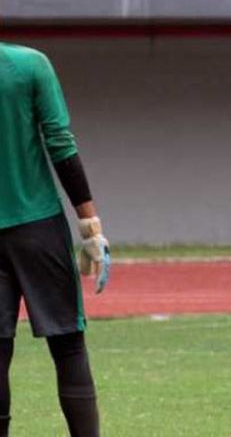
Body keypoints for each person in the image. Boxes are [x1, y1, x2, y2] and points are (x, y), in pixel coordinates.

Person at [0, 42, 110, 436]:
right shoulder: (30, 65)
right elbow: (60, 142)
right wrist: (90, 226)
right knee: (67, 345)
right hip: (38, 227)